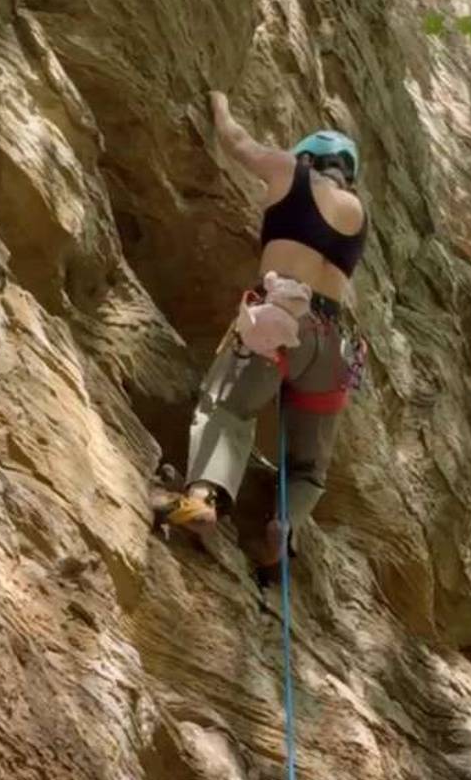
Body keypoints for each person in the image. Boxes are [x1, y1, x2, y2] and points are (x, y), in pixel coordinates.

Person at [156, 91, 369, 577]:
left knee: (226, 409)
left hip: (277, 324)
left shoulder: (289, 172)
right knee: (309, 465)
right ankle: (283, 528)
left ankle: (201, 501)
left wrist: (220, 103)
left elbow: (238, 143)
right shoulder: (358, 212)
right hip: (333, 345)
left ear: (308, 158)